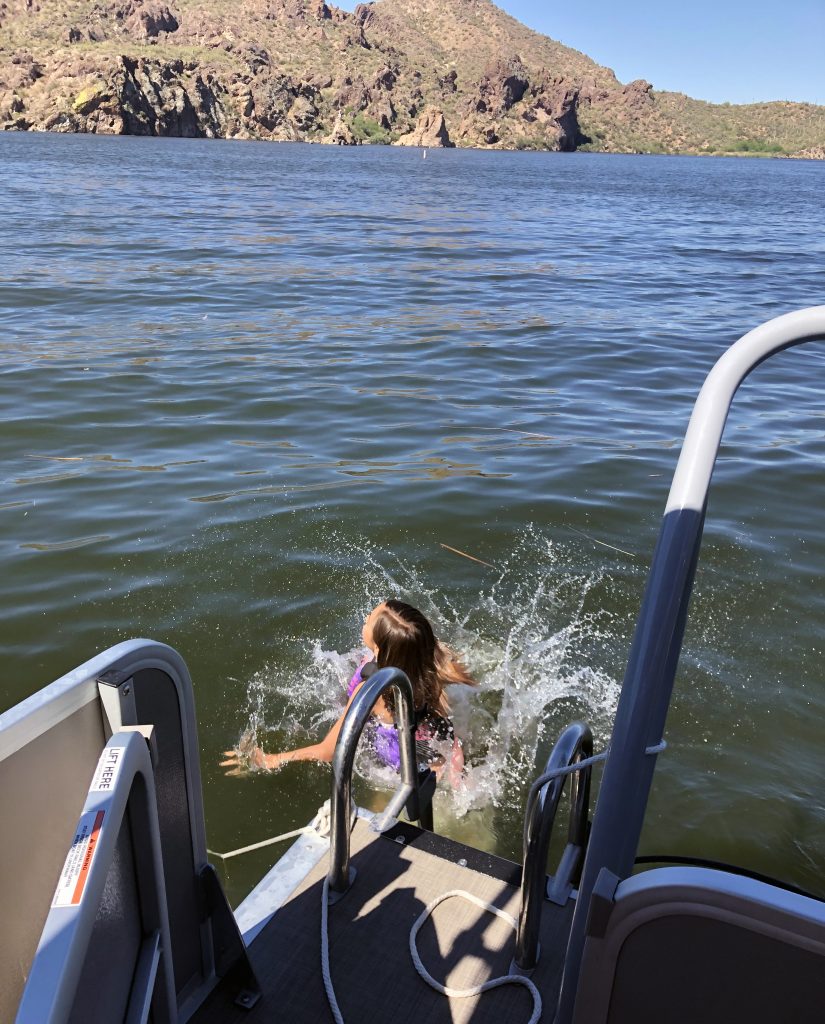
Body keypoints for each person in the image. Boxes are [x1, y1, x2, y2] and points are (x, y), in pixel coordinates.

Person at [221, 599, 476, 780]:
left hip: (416, 767)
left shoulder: (373, 689)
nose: (365, 619)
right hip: (448, 750)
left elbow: (329, 751)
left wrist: (270, 760)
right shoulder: (427, 657)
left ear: (381, 646)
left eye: (370, 619)